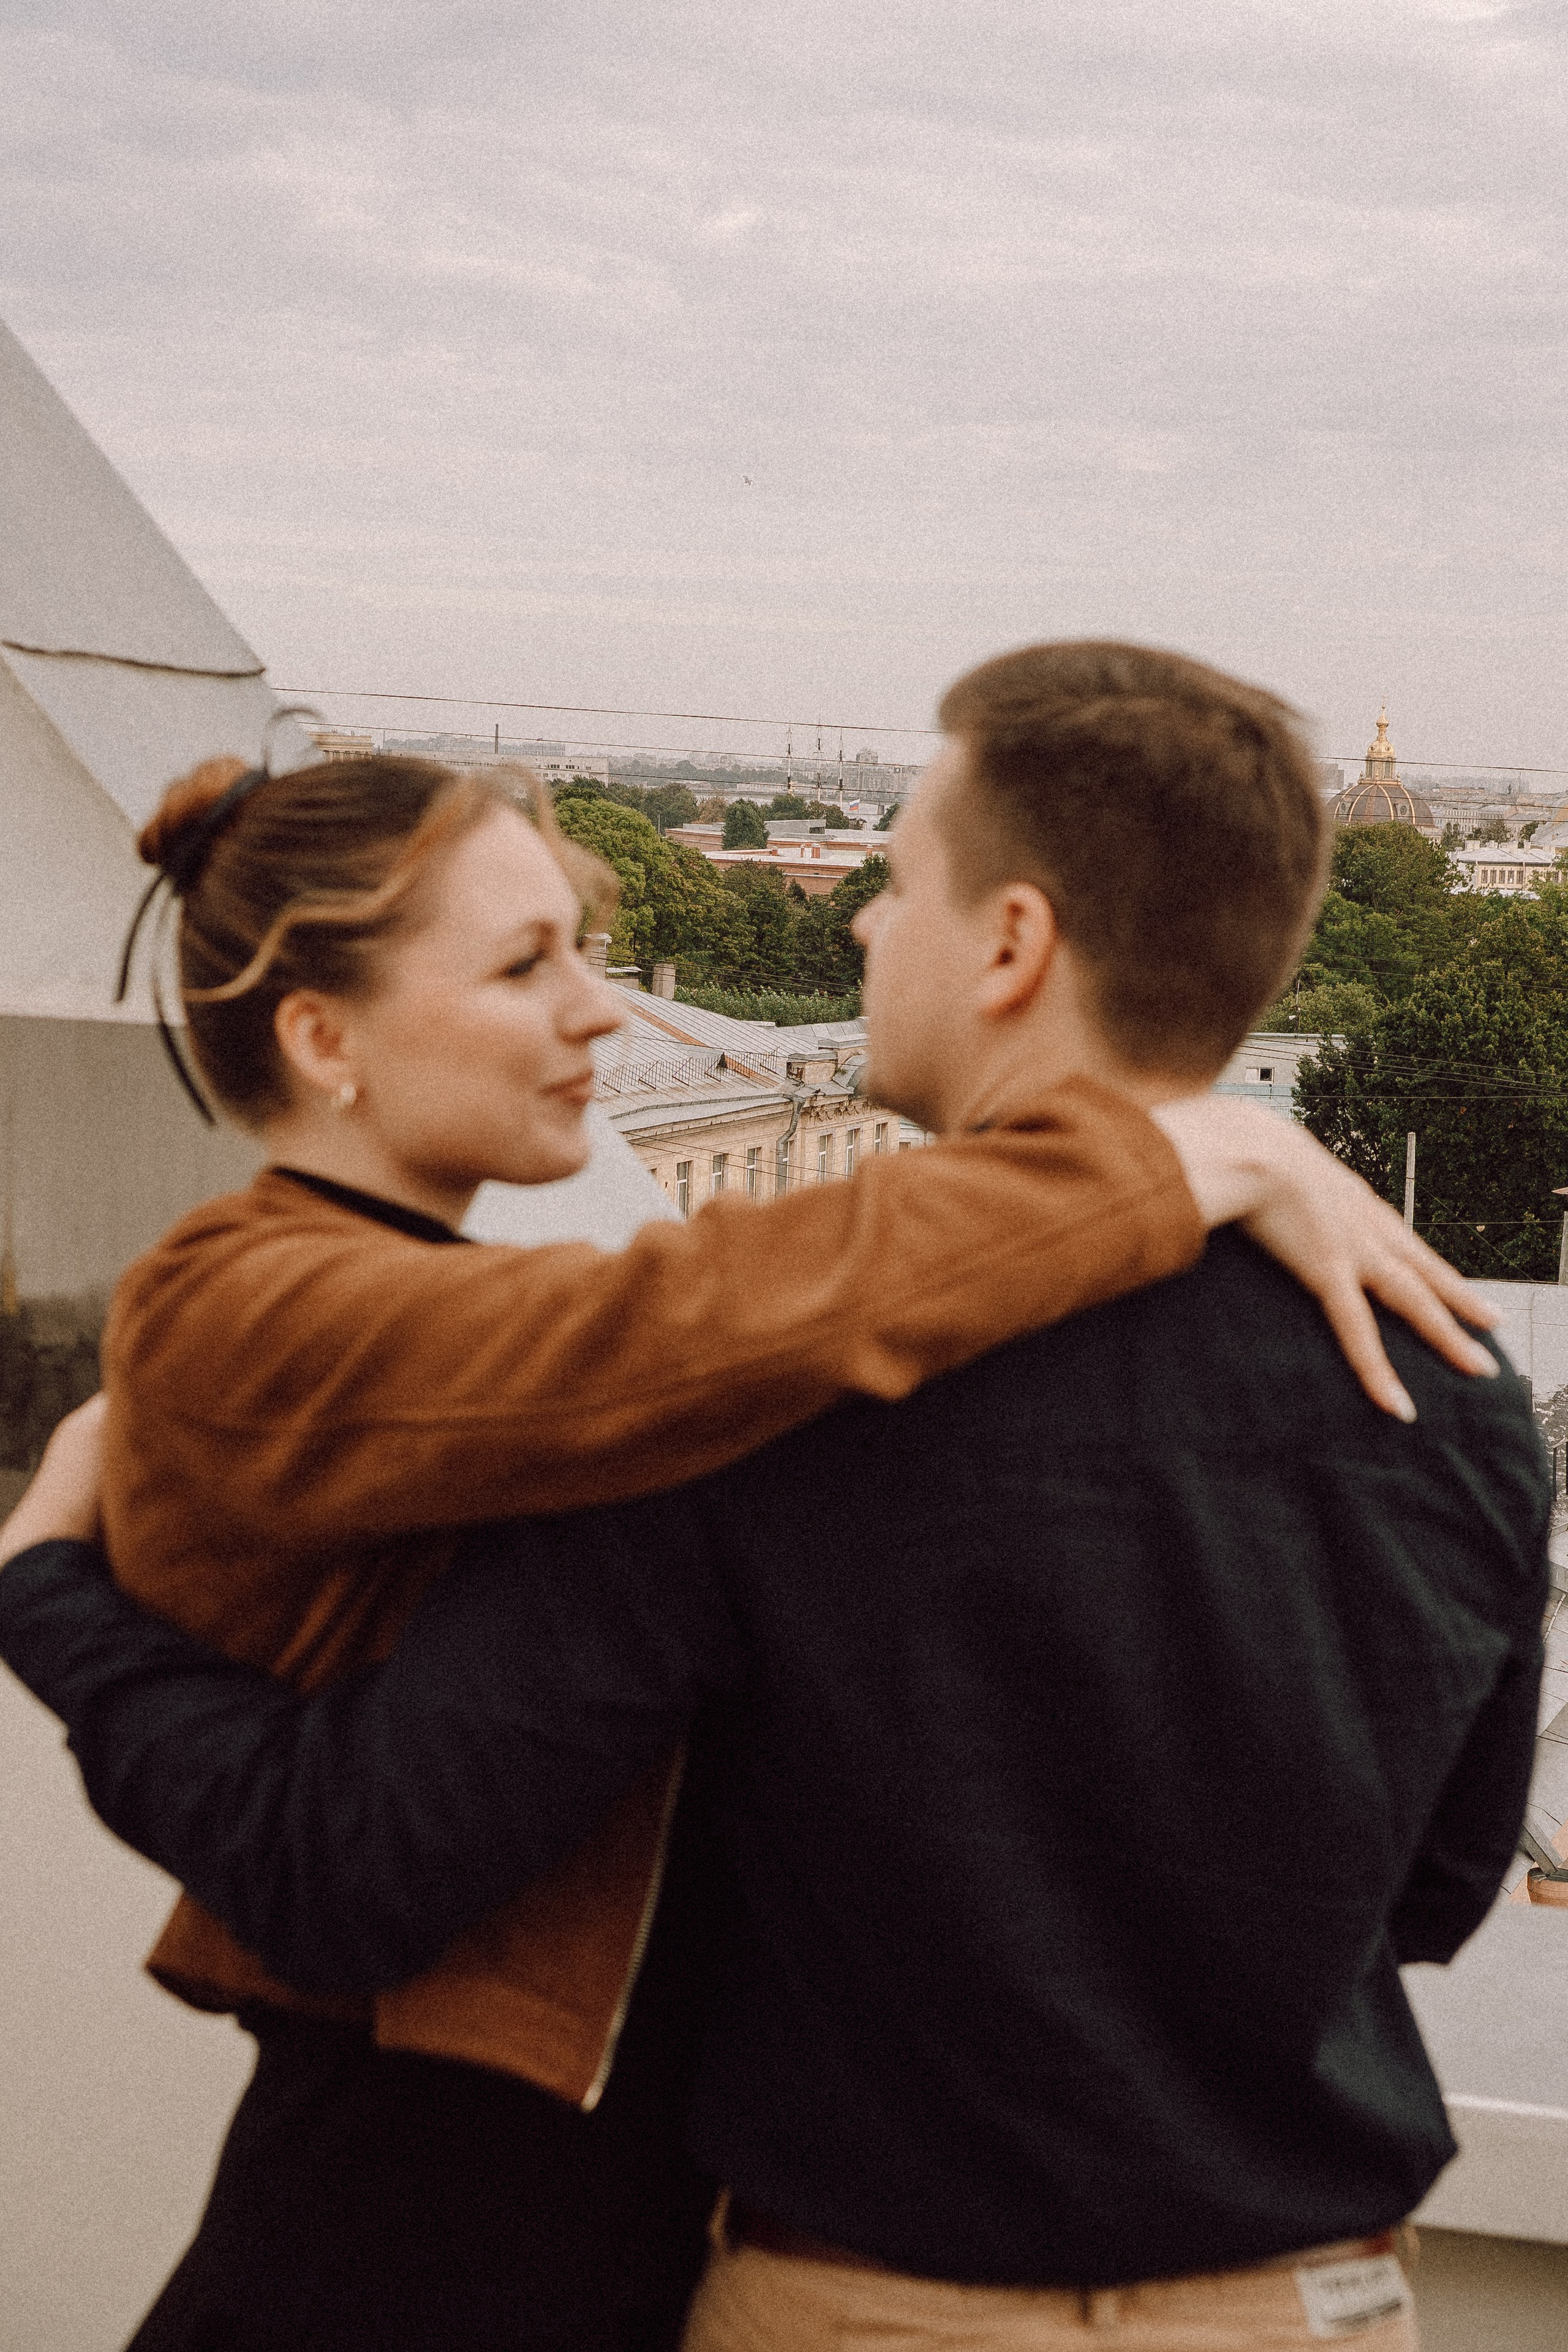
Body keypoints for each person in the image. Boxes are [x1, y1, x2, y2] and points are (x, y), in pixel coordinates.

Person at [1, 642, 1536, 2352]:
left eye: (892, 881)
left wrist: (53, 1595)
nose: (864, 926)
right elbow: (1437, 1889)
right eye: (531, 963)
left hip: (794, 2294)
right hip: (1314, 2305)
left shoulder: (760, 1408)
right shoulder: (1461, 1385)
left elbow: (363, 1855)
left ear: (1013, 943)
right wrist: (1195, 1148)